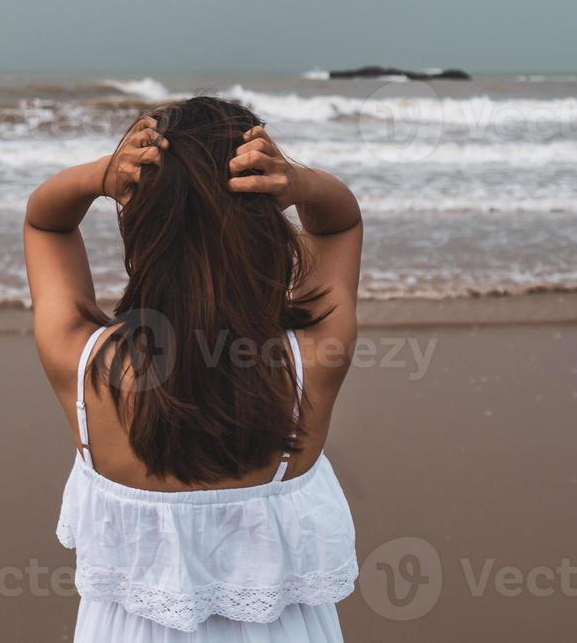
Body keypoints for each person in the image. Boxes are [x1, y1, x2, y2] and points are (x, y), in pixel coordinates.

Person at [24, 95, 363, 641]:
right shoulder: (310, 360)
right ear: (265, 226)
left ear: (141, 226)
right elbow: (338, 225)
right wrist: (298, 184)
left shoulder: (82, 361)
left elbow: (46, 225)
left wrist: (98, 175)